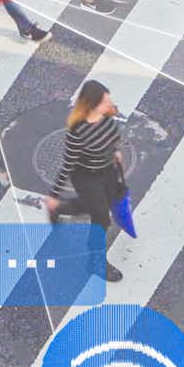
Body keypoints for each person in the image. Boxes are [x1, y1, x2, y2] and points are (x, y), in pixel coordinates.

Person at [55, 78, 130, 279]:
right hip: (87, 178)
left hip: (107, 171)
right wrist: (55, 192)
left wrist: (114, 151)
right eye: (105, 102)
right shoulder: (77, 131)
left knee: (100, 206)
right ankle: (95, 262)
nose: (110, 104)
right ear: (92, 105)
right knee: (102, 220)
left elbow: (112, 138)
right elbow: (68, 162)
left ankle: (62, 208)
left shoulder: (107, 117)